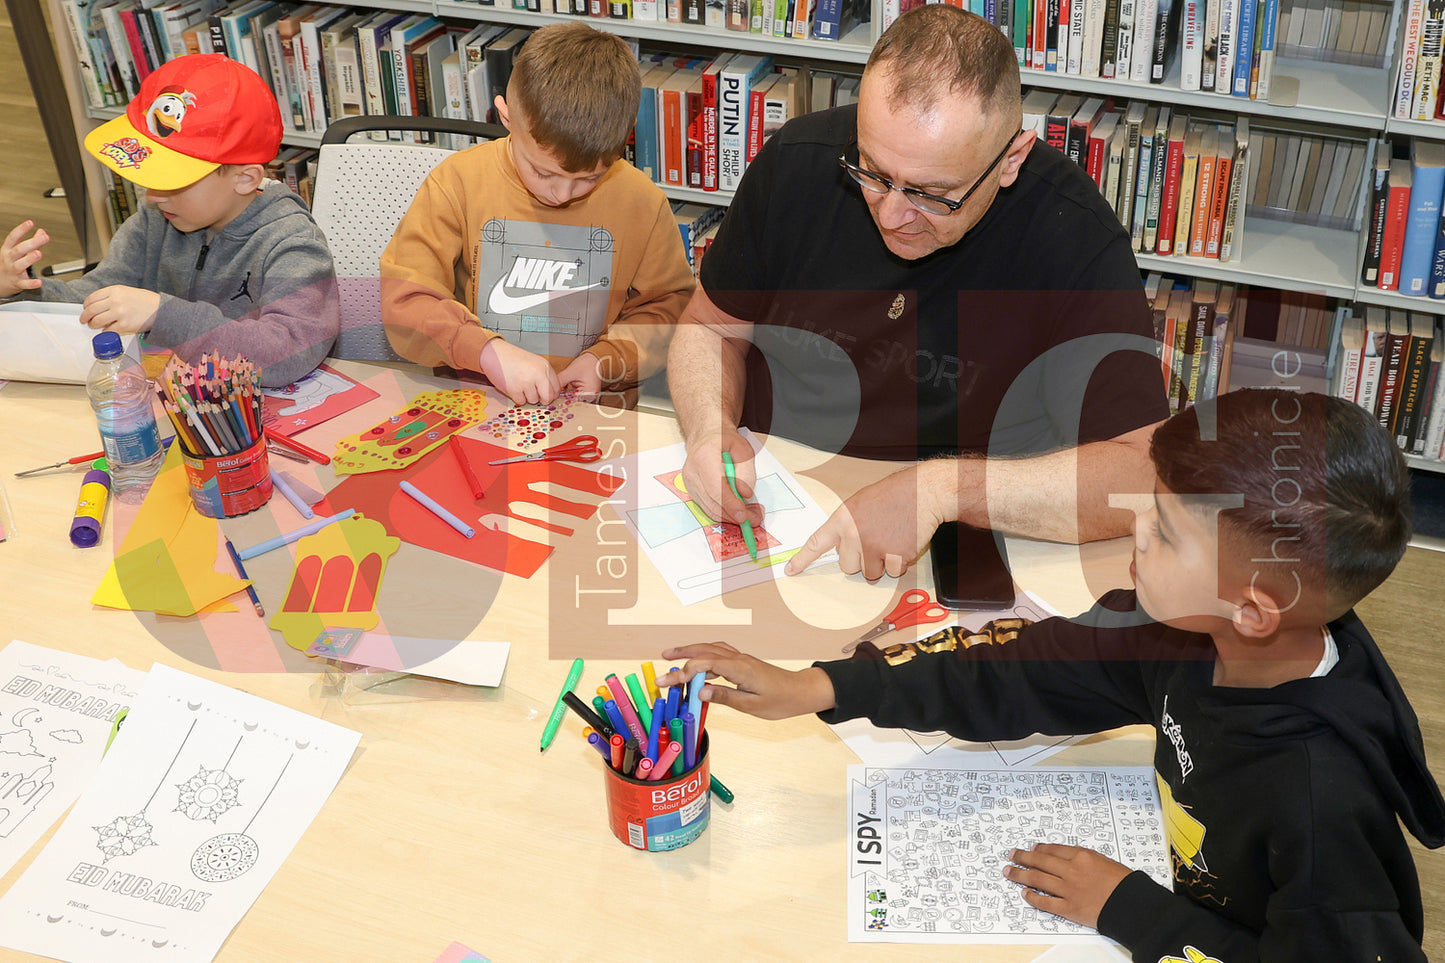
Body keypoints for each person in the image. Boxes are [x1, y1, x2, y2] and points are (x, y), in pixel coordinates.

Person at [658, 388, 1445, 960]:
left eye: (1163, 531)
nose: (1131, 528)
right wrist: (826, 687)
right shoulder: (1177, 629)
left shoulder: (1320, 803)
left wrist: (1128, 908)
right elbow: (1025, 671)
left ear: (1253, 608)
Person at [668, 5, 1169, 580]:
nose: (894, 213)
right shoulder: (797, 162)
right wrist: (708, 429)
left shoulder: (1072, 234)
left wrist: (941, 489)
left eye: (934, 194)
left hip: (962, 540)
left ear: (1010, 160)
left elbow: (1143, 474)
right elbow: (709, 327)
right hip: (776, 504)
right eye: (873, 172)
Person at [380, 22, 695, 409]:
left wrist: (605, 361)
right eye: (543, 172)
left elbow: (667, 308)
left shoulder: (641, 202)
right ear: (506, 116)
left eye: (589, 178)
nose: (560, 194)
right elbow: (408, 300)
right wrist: (486, 352)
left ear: (627, 136)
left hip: (593, 416)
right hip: (473, 403)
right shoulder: (457, 182)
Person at [0, 54, 338, 389]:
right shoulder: (154, 221)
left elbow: (291, 352)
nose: (152, 195)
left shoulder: (291, 242)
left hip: (253, 417)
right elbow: (94, 300)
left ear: (246, 179)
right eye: (149, 176)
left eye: (171, 180)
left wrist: (164, 315)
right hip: (172, 401)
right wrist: (21, 292)